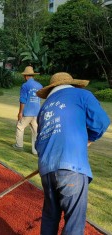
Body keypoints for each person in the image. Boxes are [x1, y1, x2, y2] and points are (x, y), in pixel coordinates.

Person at [35, 72, 110, 235]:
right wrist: (89, 139)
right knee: (74, 221)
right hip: (71, 167)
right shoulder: (82, 95)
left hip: (46, 169)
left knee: (50, 216)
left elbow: (39, 143)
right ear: (73, 84)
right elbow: (101, 122)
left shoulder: (45, 107)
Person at [13, 66, 43, 154]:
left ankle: (19, 145)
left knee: (20, 127)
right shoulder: (39, 85)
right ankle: (35, 150)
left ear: (26, 76)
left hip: (28, 112)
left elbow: (23, 100)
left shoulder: (25, 85)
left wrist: (20, 112)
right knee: (35, 131)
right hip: (37, 112)